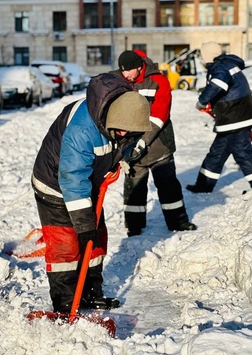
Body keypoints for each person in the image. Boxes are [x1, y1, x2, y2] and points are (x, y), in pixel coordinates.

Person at [31, 73, 151, 313]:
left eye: (130, 132)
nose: (124, 135)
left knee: (95, 240)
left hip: (90, 183)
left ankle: (90, 293)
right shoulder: (82, 130)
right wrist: (83, 226)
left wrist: (125, 155)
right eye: (120, 131)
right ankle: (66, 304)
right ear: (110, 119)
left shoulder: (126, 112)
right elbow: (72, 179)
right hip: (56, 184)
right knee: (66, 245)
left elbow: (126, 141)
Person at [111, 50, 197, 236]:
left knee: (168, 185)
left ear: (139, 66)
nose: (126, 76)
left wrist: (142, 142)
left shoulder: (159, 81)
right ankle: (134, 226)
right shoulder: (119, 80)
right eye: (123, 71)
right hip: (132, 147)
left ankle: (178, 222)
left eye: (129, 72)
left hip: (159, 146)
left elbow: (160, 116)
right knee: (134, 188)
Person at [186, 42, 252, 193]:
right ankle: (203, 185)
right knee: (217, 153)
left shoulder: (220, 67)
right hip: (234, 117)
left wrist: (202, 101)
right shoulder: (227, 64)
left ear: (207, 56)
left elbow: (218, 85)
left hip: (235, 117)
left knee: (242, 153)